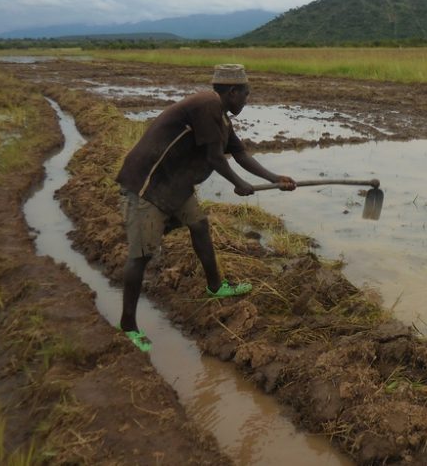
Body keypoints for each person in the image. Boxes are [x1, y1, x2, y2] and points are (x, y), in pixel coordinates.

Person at [114, 63, 295, 351]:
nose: (247, 100)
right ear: (232, 91)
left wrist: (275, 179)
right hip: (147, 184)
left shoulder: (221, 117)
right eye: (246, 94)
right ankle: (127, 326)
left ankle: (215, 286)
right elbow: (215, 158)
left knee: (199, 225)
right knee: (141, 255)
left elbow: (239, 154)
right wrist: (239, 184)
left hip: (175, 184)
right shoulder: (207, 104)